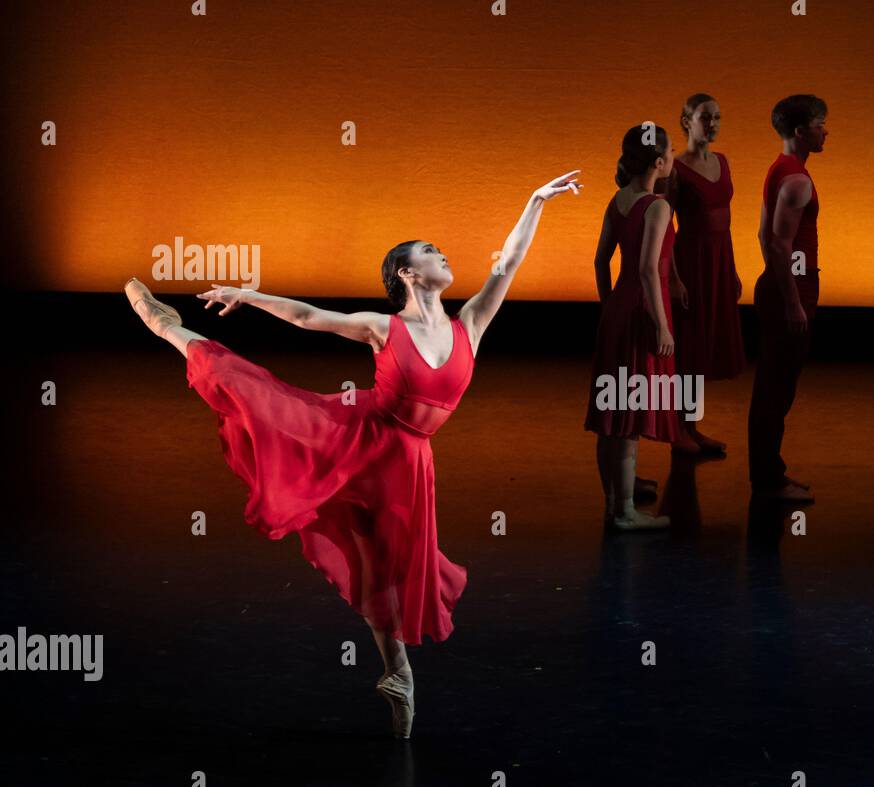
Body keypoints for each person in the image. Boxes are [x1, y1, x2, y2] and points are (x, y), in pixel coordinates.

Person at [122, 170, 582, 738]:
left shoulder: (471, 325)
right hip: (360, 439)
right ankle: (173, 330)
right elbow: (310, 318)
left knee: (384, 567)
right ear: (408, 273)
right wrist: (248, 295)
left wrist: (536, 200)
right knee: (260, 399)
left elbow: (506, 265)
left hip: (411, 465)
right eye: (430, 252)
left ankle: (398, 674)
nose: (444, 255)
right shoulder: (382, 327)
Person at [585, 123, 680, 530]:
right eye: (671, 151)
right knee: (628, 417)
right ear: (659, 162)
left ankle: (614, 503)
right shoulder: (657, 206)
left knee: (612, 413)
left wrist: (609, 305)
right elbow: (646, 270)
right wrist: (661, 325)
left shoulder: (618, 199)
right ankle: (625, 511)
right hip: (642, 310)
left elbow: (600, 260)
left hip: (618, 312)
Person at [747, 94, 827, 502]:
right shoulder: (796, 180)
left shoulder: (780, 170)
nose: (824, 130)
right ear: (801, 131)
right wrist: (792, 299)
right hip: (791, 288)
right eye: (819, 123)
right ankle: (768, 481)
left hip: (782, 285)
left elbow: (765, 236)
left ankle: (768, 475)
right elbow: (778, 244)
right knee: (776, 388)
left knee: (774, 387)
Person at [665, 92, 746, 456]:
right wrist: (674, 277)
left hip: (719, 259)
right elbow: (663, 228)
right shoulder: (676, 169)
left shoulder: (723, 162)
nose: (712, 124)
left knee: (704, 348)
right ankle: (677, 430)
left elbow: (726, 222)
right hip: (692, 261)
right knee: (689, 347)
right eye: (704, 117)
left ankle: (692, 427)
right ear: (686, 121)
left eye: (717, 117)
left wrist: (732, 270)